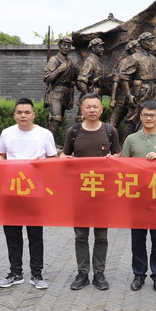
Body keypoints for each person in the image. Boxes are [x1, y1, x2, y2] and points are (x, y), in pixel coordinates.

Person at [0, 98, 58, 290]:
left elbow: (54, 160)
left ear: (33, 115)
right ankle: (15, 273)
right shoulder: (6, 133)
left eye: (27, 112)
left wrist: (42, 164)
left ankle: (37, 274)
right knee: (12, 234)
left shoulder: (44, 134)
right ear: (14, 115)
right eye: (19, 112)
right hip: (11, 191)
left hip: (35, 192)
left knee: (35, 235)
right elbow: (0, 155)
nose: (23, 115)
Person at [61, 93, 121, 290]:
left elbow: (118, 155)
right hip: (80, 194)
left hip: (103, 194)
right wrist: (65, 160)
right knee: (81, 236)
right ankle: (82, 273)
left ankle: (99, 274)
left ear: (101, 109)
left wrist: (113, 159)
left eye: (95, 107)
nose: (92, 110)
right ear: (82, 109)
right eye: (88, 107)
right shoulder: (73, 131)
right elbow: (64, 155)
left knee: (101, 236)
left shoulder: (110, 131)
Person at [121, 100, 156, 292]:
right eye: (145, 115)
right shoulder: (131, 139)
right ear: (140, 116)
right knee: (138, 239)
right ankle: (139, 274)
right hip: (137, 198)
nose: (149, 118)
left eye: (152, 115)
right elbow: (123, 167)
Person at [44, 37, 77, 137]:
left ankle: (53, 141)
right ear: (59, 45)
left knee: (59, 120)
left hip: (66, 93)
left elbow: (72, 81)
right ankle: (50, 143)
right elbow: (47, 79)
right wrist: (59, 70)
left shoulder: (70, 62)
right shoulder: (54, 60)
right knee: (56, 118)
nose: (66, 47)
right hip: (55, 91)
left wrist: (71, 97)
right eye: (64, 45)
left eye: (69, 45)